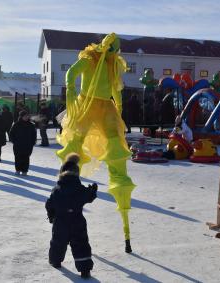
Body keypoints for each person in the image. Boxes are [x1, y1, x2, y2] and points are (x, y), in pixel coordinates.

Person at [57, 33, 135, 252]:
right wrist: (71, 93)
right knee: (75, 147)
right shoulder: (90, 58)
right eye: (113, 49)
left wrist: (118, 109)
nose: (114, 53)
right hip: (87, 104)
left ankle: (122, 195)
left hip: (105, 109)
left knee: (116, 151)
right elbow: (71, 73)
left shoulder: (112, 64)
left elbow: (115, 89)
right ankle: (67, 189)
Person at [45, 153, 97, 279]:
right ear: (77, 174)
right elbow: (88, 197)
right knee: (81, 244)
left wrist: (51, 215)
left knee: (58, 242)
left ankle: (55, 261)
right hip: (77, 220)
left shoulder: (57, 189)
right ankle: (85, 270)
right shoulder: (80, 188)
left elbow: (49, 204)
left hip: (60, 221)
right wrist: (92, 192)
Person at [9, 110, 37, 175]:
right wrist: (14, 141)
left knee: (26, 158)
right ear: (21, 116)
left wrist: (32, 142)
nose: (26, 117)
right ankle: (18, 170)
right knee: (18, 158)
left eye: (27, 116)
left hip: (28, 145)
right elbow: (11, 134)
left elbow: (34, 135)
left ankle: (25, 171)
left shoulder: (31, 125)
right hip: (18, 145)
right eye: (25, 116)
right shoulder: (16, 124)